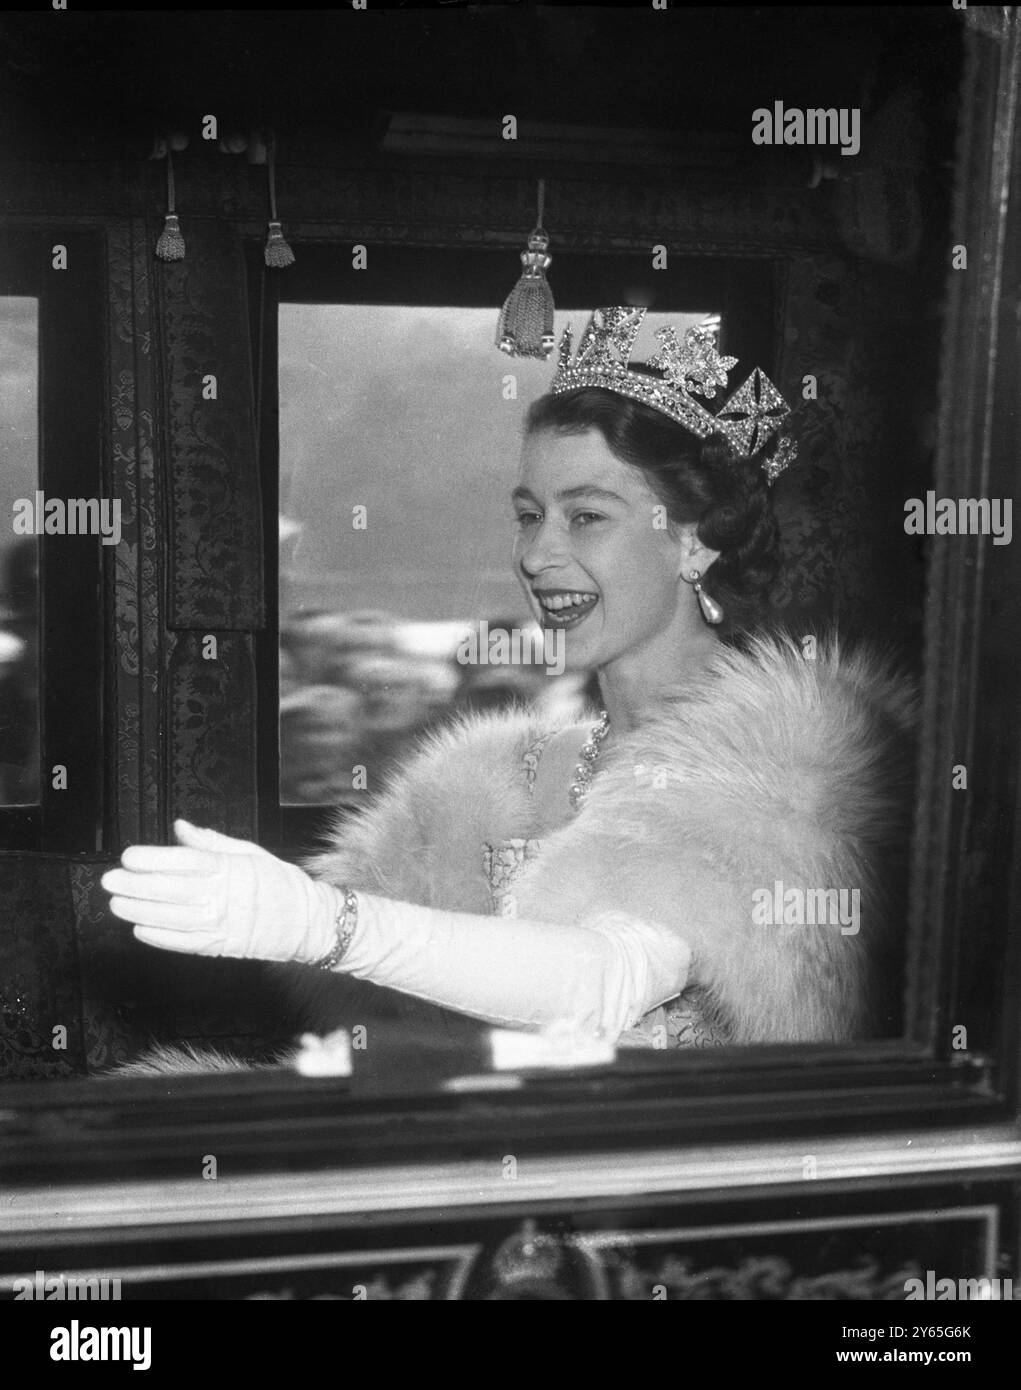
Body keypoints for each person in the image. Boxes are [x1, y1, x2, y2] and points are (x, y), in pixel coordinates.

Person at [102, 308, 916, 1069]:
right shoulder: (508, 776)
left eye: (585, 516)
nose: (535, 555)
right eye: (529, 516)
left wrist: (326, 926)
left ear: (694, 541)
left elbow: (603, 979)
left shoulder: (795, 763)